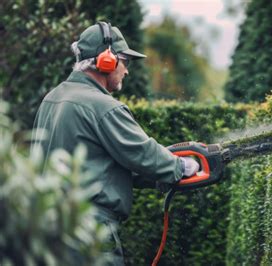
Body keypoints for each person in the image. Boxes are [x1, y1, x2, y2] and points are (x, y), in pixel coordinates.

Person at [31, 22, 199, 265]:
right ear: (106, 61)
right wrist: (181, 166)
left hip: (48, 229)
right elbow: (141, 152)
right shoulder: (103, 106)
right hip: (89, 232)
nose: (127, 71)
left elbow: (105, 163)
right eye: (125, 62)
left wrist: (157, 178)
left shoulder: (52, 98)